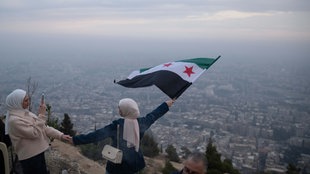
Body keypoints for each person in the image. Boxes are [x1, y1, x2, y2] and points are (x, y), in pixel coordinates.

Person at [70, 98, 175, 174]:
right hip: (134, 165)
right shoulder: (142, 123)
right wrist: (166, 104)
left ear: (126, 110)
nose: (119, 110)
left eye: (120, 108)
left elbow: (96, 135)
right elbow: (154, 115)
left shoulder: (117, 125)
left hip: (116, 166)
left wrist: (74, 140)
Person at [5, 89, 71, 174]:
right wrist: (42, 115)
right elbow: (34, 133)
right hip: (29, 157)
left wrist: (60, 135)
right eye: (25, 100)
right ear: (17, 102)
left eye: (28, 99)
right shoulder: (14, 121)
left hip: (37, 154)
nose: (28, 102)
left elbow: (43, 128)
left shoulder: (26, 113)